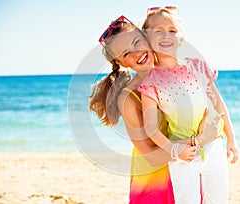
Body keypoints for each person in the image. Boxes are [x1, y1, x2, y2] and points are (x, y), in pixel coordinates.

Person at [89, 15, 221, 204]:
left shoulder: (178, 72)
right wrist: (199, 139)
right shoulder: (128, 98)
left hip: (187, 168)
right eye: (126, 54)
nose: (136, 53)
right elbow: (150, 156)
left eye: (137, 42)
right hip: (155, 182)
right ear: (121, 63)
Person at [137, 7, 239, 204]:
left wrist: (231, 138)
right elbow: (150, 127)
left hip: (213, 147)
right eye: (158, 31)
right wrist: (175, 151)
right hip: (182, 154)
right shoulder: (151, 80)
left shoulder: (198, 66)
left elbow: (219, 104)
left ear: (181, 37)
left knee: (218, 199)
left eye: (172, 30)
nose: (166, 35)